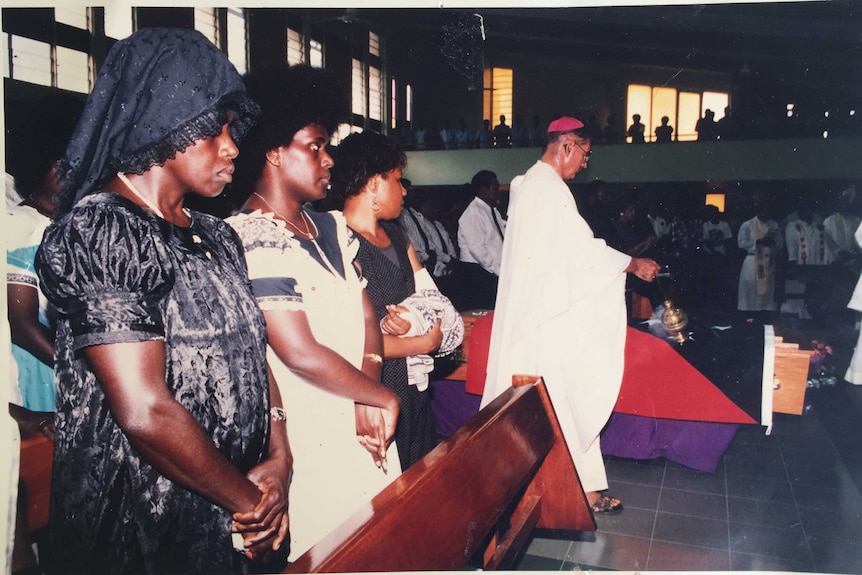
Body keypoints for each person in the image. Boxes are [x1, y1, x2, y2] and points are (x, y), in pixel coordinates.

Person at [34, 28, 290, 574]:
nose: (232, 146)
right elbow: (144, 410)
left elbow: (253, 354)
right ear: (163, 118)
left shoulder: (217, 235)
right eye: (213, 128)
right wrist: (254, 504)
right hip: (147, 519)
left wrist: (279, 454)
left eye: (230, 127)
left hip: (234, 502)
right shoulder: (103, 231)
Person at [227, 63, 400, 561]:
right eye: (316, 146)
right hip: (310, 419)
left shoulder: (329, 226)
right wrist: (377, 395)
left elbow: (367, 313)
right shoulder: (253, 234)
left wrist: (368, 392)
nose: (328, 160)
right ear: (275, 152)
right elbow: (297, 351)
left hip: (359, 408)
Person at [480, 116, 660, 514]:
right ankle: (569, 492)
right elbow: (581, 251)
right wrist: (631, 264)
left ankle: (586, 490)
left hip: (540, 311)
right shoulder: (547, 189)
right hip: (544, 320)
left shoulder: (530, 184)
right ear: (566, 145)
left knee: (559, 400)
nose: (585, 164)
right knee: (558, 399)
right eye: (585, 154)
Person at [330, 131, 444, 470]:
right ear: (374, 184)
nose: (405, 190)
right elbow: (352, 339)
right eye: (398, 179)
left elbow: (433, 300)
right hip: (375, 388)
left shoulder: (398, 237)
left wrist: (420, 327)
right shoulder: (336, 242)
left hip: (414, 385)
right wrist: (423, 342)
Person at [7, 94, 82, 412]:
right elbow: (22, 324)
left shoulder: (69, 226)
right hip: (35, 370)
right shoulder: (20, 225)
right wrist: (79, 372)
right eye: (62, 166)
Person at [456, 170, 506, 310]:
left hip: (490, 271)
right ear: (483, 190)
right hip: (477, 273)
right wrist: (499, 271)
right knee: (480, 313)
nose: (498, 192)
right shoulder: (473, 213)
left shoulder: (491, 211)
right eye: (495, 188)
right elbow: (478, 250)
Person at [737, 192, 784, 317]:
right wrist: (758, 241)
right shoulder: (747, 225)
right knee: (751, 289)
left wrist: (772, 241)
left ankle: (763, 315)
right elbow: (741, 242)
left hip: (768, 262)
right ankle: (749, 315)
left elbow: (780, 244)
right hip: (752, 261)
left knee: (766, 290)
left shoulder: (774, 225)